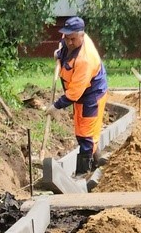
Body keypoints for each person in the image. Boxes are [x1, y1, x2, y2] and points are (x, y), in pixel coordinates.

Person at [46, 17, 109, 177]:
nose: (69, 42)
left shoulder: (85, 60)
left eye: (72, 39)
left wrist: (56, 106)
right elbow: (63, 46)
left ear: (82, 35)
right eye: (66, 38)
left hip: (91, 94)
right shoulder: (69, 39)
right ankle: (97, 161)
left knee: (85, 134)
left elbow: (74, 93)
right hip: (81, 93)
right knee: (82, 130)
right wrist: (59, 54)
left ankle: (83, 173)